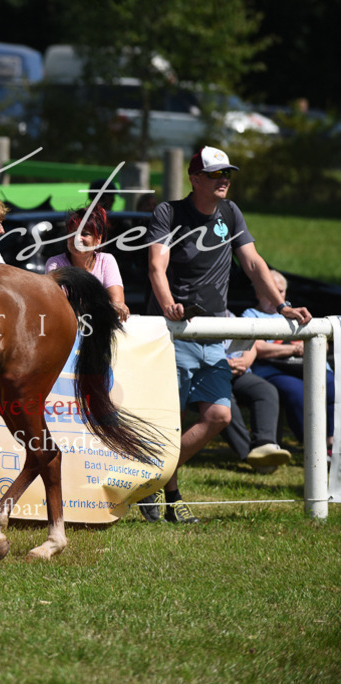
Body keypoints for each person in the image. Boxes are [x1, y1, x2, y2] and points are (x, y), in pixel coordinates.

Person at [142, 146, 312, 524]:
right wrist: (168, 304)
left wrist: (280, 306)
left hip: (214, 333)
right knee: (169, 420)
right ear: (195, 179)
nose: (224, 180)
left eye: (228, 174)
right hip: (177, 332)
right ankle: (169, 494)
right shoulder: (168, 213)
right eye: (216, 174)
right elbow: (157, 264)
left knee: (219, 415)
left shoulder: (231, 212)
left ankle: (152, 481)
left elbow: (252, 262)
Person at [244, 270, 334, 454]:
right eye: (271, 291)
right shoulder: (251, 315)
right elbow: (258, 348)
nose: (276, 296)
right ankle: (315, 448)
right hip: (275, 370)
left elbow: (323, 345)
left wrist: (307, 347)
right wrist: (295, 349)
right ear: (258, 292)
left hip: (309, 367)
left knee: (334, 388)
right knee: (297, 393)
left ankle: (333, 443)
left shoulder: (297, 314)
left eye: (281, 291)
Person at [220, 323, 292, 473]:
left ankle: (265, 444)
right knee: (223, 403)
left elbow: (252, 343)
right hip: (212, 375)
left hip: (240, 372)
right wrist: (225, 364)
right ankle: (252, 456)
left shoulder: (232, 317)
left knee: (265, 390)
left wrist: (245, 362)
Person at [45, 207, 129, 322]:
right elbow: (57, 306)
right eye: (72, 233)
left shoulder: (107, 261)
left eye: (85, 234)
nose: (77, 239)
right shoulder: (55, 264)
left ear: (98, 239)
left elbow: (118, 305)